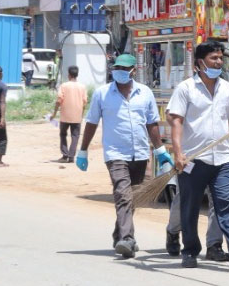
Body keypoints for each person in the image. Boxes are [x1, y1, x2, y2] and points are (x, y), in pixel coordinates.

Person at [167, 41, 229, 271]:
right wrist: (179, 153)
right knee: (190, 207)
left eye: (221, 58)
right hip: (193, 160)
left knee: (227, 205)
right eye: (214, 58)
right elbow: (177, 122)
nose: (219, 62)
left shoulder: (226, 88)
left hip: (221, 159)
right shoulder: (186, 89)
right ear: (199, 63)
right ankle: (190, 250)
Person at [73, 54, 171, 258]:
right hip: (115, 153)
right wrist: (83, 150)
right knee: (122, 194)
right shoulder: (102, 94)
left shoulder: (145, 93)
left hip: (141, 153)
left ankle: (119, 234)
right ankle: (128, 238)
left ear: (133, 70)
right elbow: (91, 122)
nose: (120, 71)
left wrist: (160, 150)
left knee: (132, 197)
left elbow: (151, 123)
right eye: (117, 67)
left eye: (125, 69)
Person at [52, 66, 85, 163]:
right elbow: (84, 102)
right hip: (77, 116)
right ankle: (71, 157)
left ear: (69, 75)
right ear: (77, 75)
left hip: (65, 116)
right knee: (75, 136)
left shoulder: (64, 86)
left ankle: (64, 155)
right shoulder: (82, 87)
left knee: (63, 134)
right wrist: (81, 115)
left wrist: (54, 113)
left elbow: (59, 100)